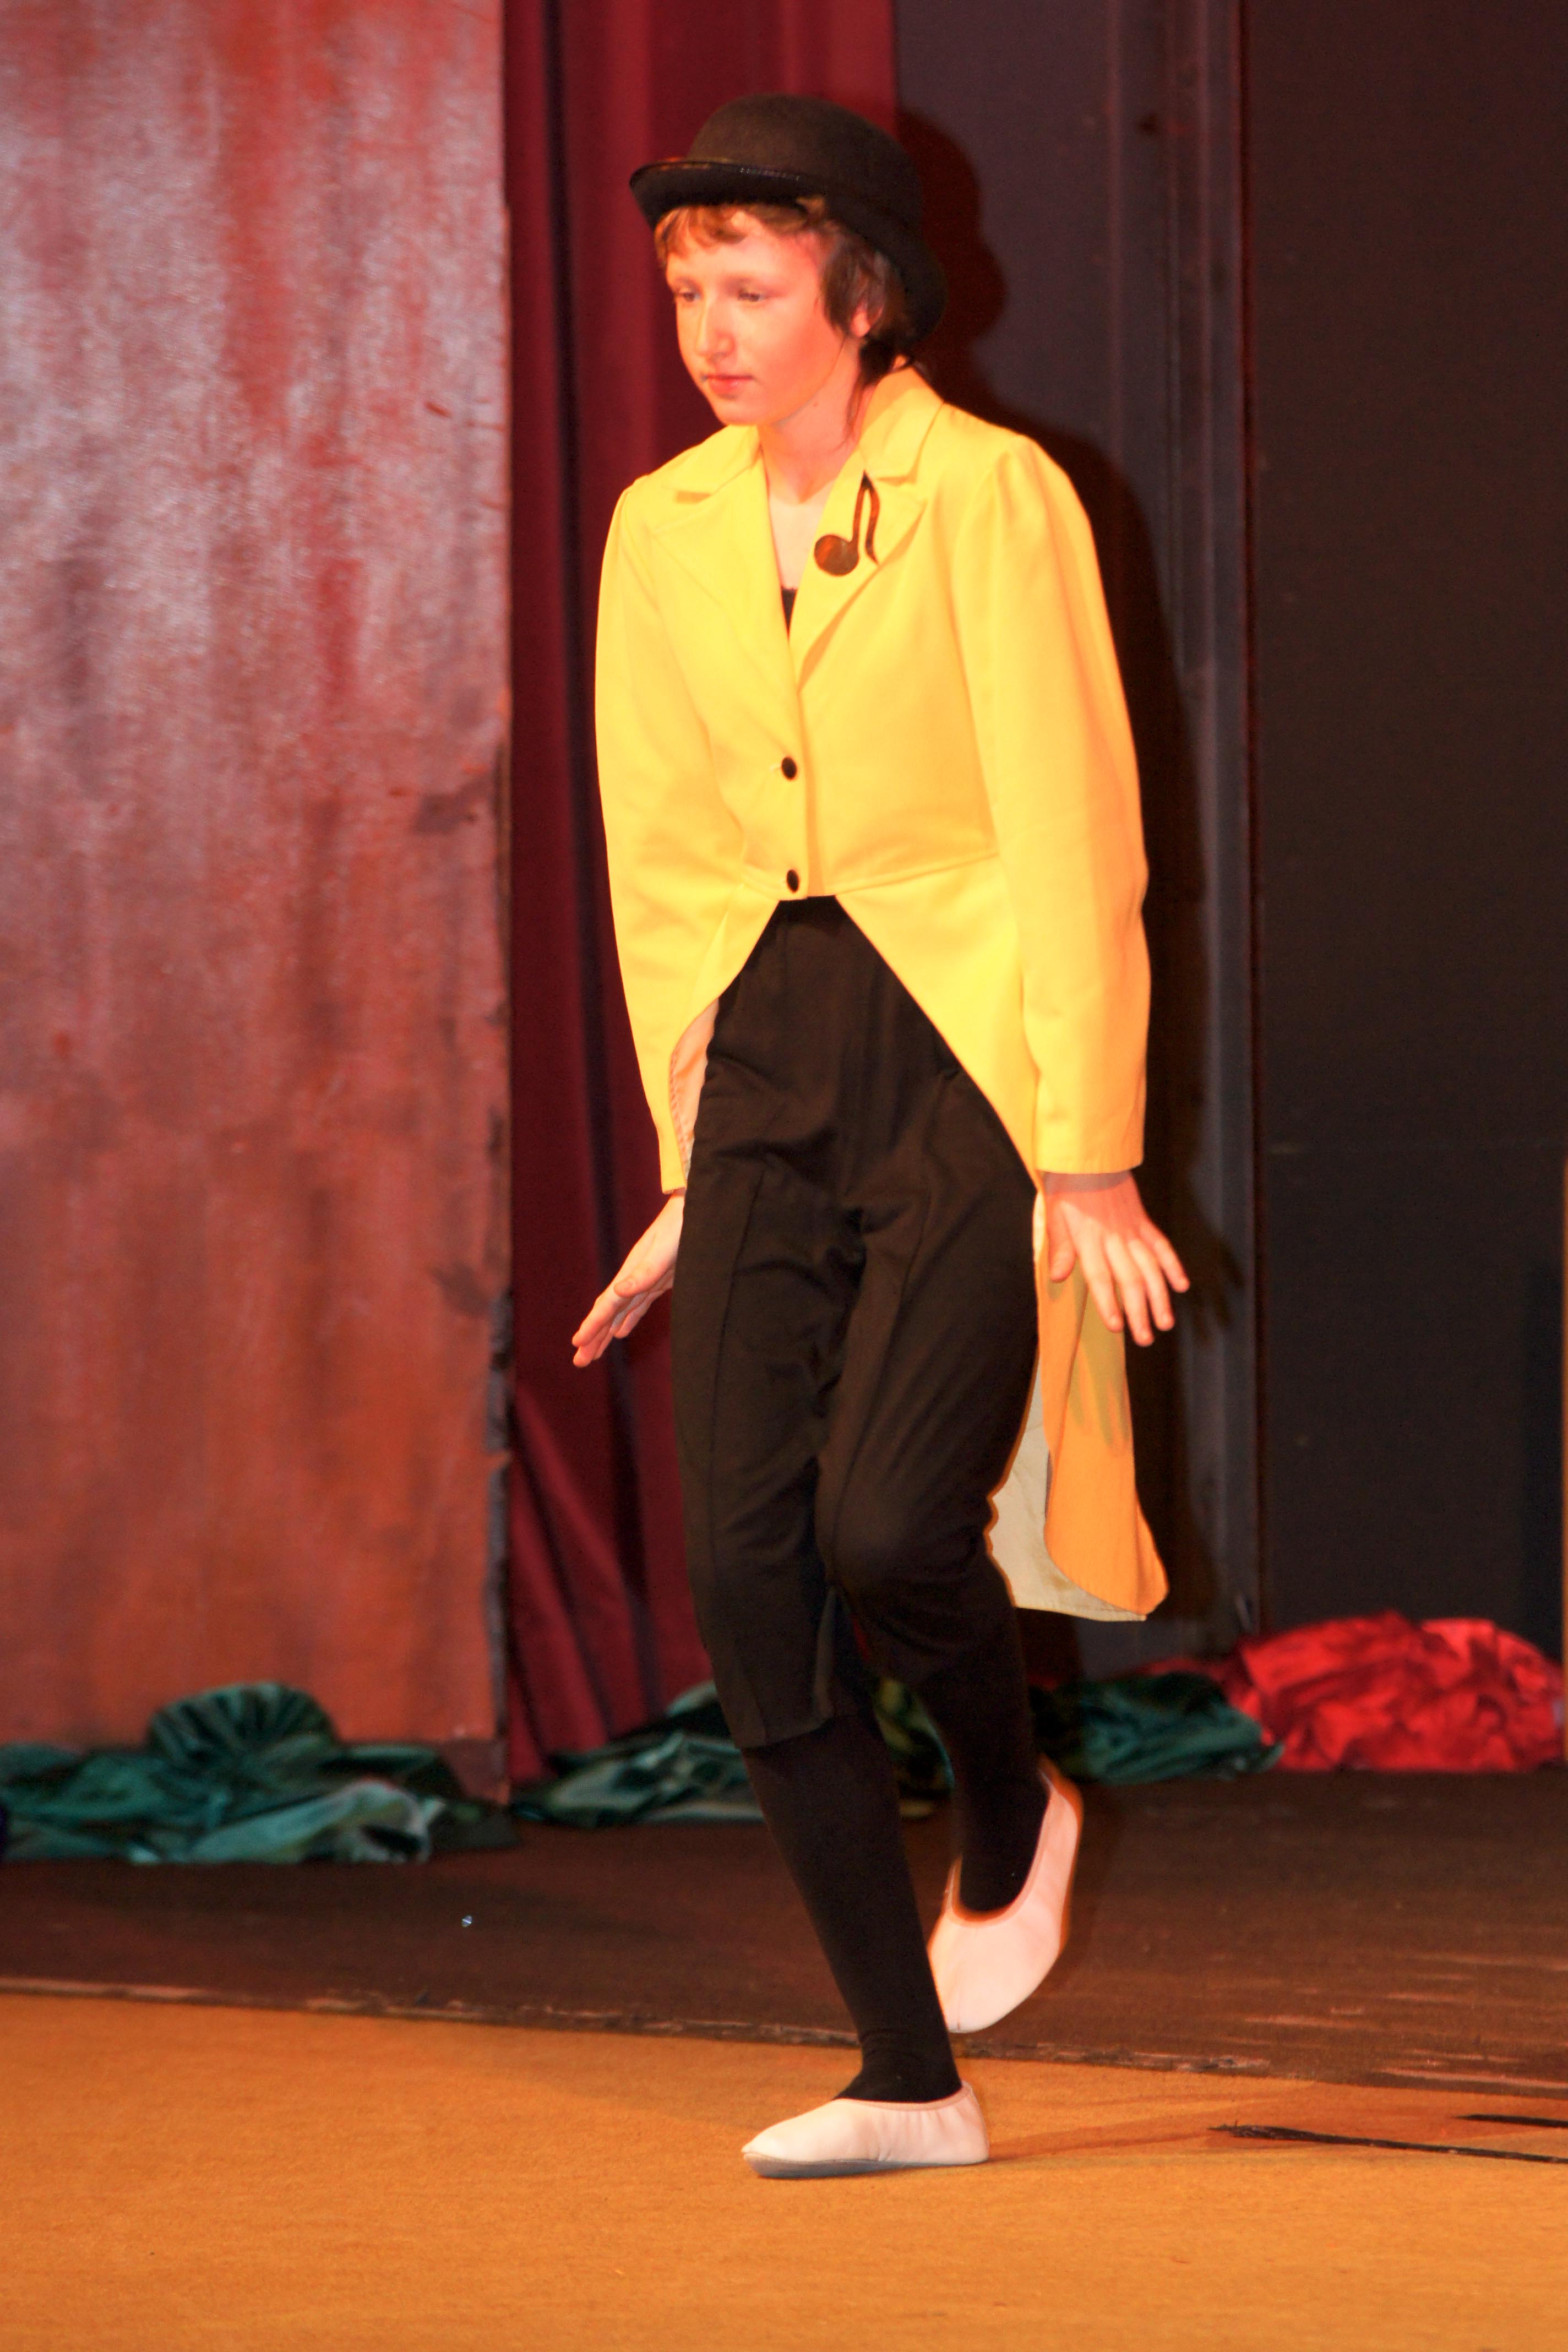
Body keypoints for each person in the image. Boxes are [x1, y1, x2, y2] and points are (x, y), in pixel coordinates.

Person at [572, 94, 1188, 2180]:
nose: (711, 331)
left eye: (749, 288)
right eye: (688, 290)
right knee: (744, 1575)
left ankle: (1012, 1811)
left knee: (888, 1531)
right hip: (764, 1061)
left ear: (859, 294)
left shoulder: (991, 495)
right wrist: (689, 1159)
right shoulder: (663, 526)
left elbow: (1076, 831)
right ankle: (906, 2077)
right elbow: (662, 857)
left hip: (966, 1058)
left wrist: (1086, 1145)